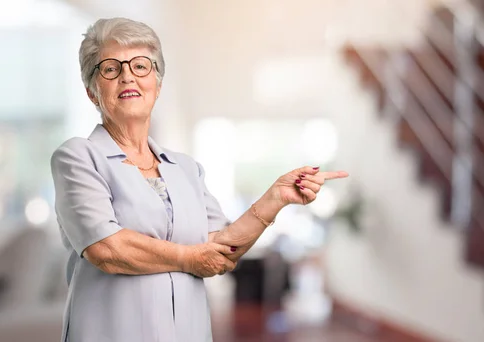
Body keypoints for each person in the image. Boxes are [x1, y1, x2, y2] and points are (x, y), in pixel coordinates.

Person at [50, 17, 348, 342]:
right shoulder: (77, 157)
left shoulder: (185, 168)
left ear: (157, 85)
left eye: (140, 66)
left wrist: (275, 198)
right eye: (110, 68)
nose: (127, 77)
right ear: (93, 91)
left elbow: (221, 248)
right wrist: (189, 258)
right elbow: (106, 249)